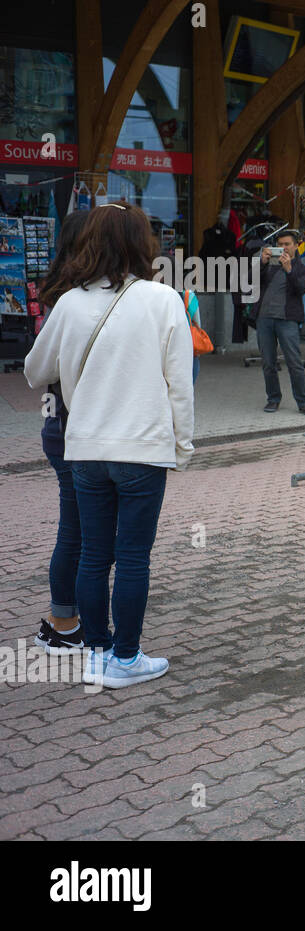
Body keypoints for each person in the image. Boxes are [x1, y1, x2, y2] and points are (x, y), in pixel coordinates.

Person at [23, 202, 195, 689]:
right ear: (142, 244)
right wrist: (183, 447)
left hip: (85, 449)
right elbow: (180, 385)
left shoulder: (71, 303)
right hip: (142, 447)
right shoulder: (164, 300)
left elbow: (36, 371)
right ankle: (127, 657)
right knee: (134, 556)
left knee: (95, 554)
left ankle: (96, 654)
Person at [29, 209, 91, 653]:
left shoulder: (58, 290)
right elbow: (41, 366)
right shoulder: (71, 297)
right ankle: (62, 622)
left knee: (77, 528)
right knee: (76, 530)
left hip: (61, 424)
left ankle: (65, 618)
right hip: (69, 426)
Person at [253, 229, 305, 414]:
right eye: (280, 245)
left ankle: (304, 402)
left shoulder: (302, 269)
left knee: (294, 362)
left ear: (296, 246)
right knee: (268, 362)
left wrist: (289, 270)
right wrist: (262, 263)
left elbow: (301, 288)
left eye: (287, 244)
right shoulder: (269, 265)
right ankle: (273, 399)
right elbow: (249, 281)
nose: (283, 248)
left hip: (287, 320)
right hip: (264, 318)